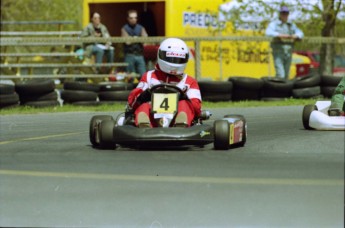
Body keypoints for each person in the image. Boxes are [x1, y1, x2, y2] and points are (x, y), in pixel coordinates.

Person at [127, 38, 202, 128]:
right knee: (144, 105)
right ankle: (143, 124)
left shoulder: (189, 82)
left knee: (184, 104)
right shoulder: (149, 76)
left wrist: (184, 98)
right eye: (171, 59)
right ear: (160, 55)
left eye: (178, 60)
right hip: (152, 119)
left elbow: (197, 108)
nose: (174, 63)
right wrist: (143, 95)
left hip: (176, 118)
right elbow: (132, 102)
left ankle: (181, 124)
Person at [265, 6, 304, 79]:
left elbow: (300, 33)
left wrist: (296, 36)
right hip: (278, 51)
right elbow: (268, 32)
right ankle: (278, 89)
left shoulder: (291, 25)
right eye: (283, 13)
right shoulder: (274, 24)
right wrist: (279, 35)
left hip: (288, 51)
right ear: (280, 14)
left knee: (286, 75)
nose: (284, 15)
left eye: (286, 13)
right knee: (280, 74)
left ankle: (283, 89)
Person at [121, 10, 148, 77]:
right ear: (128, 19)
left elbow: (145, 41)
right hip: (129, 55)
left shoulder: (141, 28)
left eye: (135, 18)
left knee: (143, 76)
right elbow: (127, 42)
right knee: (130, 77)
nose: (134, 19)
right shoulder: (124, 28)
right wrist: (138, 38)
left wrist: (132, 39)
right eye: (131, 18)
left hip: (140, 55)